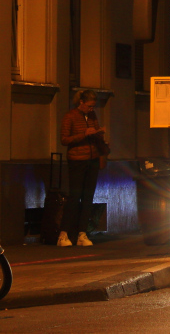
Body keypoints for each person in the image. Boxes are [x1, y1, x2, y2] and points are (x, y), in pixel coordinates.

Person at [57, 90, 107, 247]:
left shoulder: (92, 116)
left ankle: (82, 233)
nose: (92, 109)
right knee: (74, 196)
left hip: (92, 160)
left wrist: (99, 134)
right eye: (90, 106)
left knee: (88, 197)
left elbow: (95, 131)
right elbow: (64, 139)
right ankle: (63, 234)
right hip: (77, 160)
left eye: (94, 106)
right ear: (81, 103)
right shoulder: (70, 116)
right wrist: (84, 134)